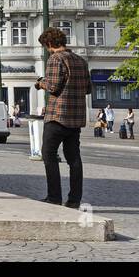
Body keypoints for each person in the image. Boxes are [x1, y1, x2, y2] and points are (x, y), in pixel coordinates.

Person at [34, 26, 91, 208]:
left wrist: (40, 83)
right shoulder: (81, 61)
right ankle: (74, 199)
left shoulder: (55, 59)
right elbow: (88, 89)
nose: (47, 50)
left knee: (48, 154)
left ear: (49, 43)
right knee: (74, 158)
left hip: (57, 116)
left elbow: (53, 87)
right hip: (76, 118)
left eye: (46, 46)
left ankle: (54, 197)